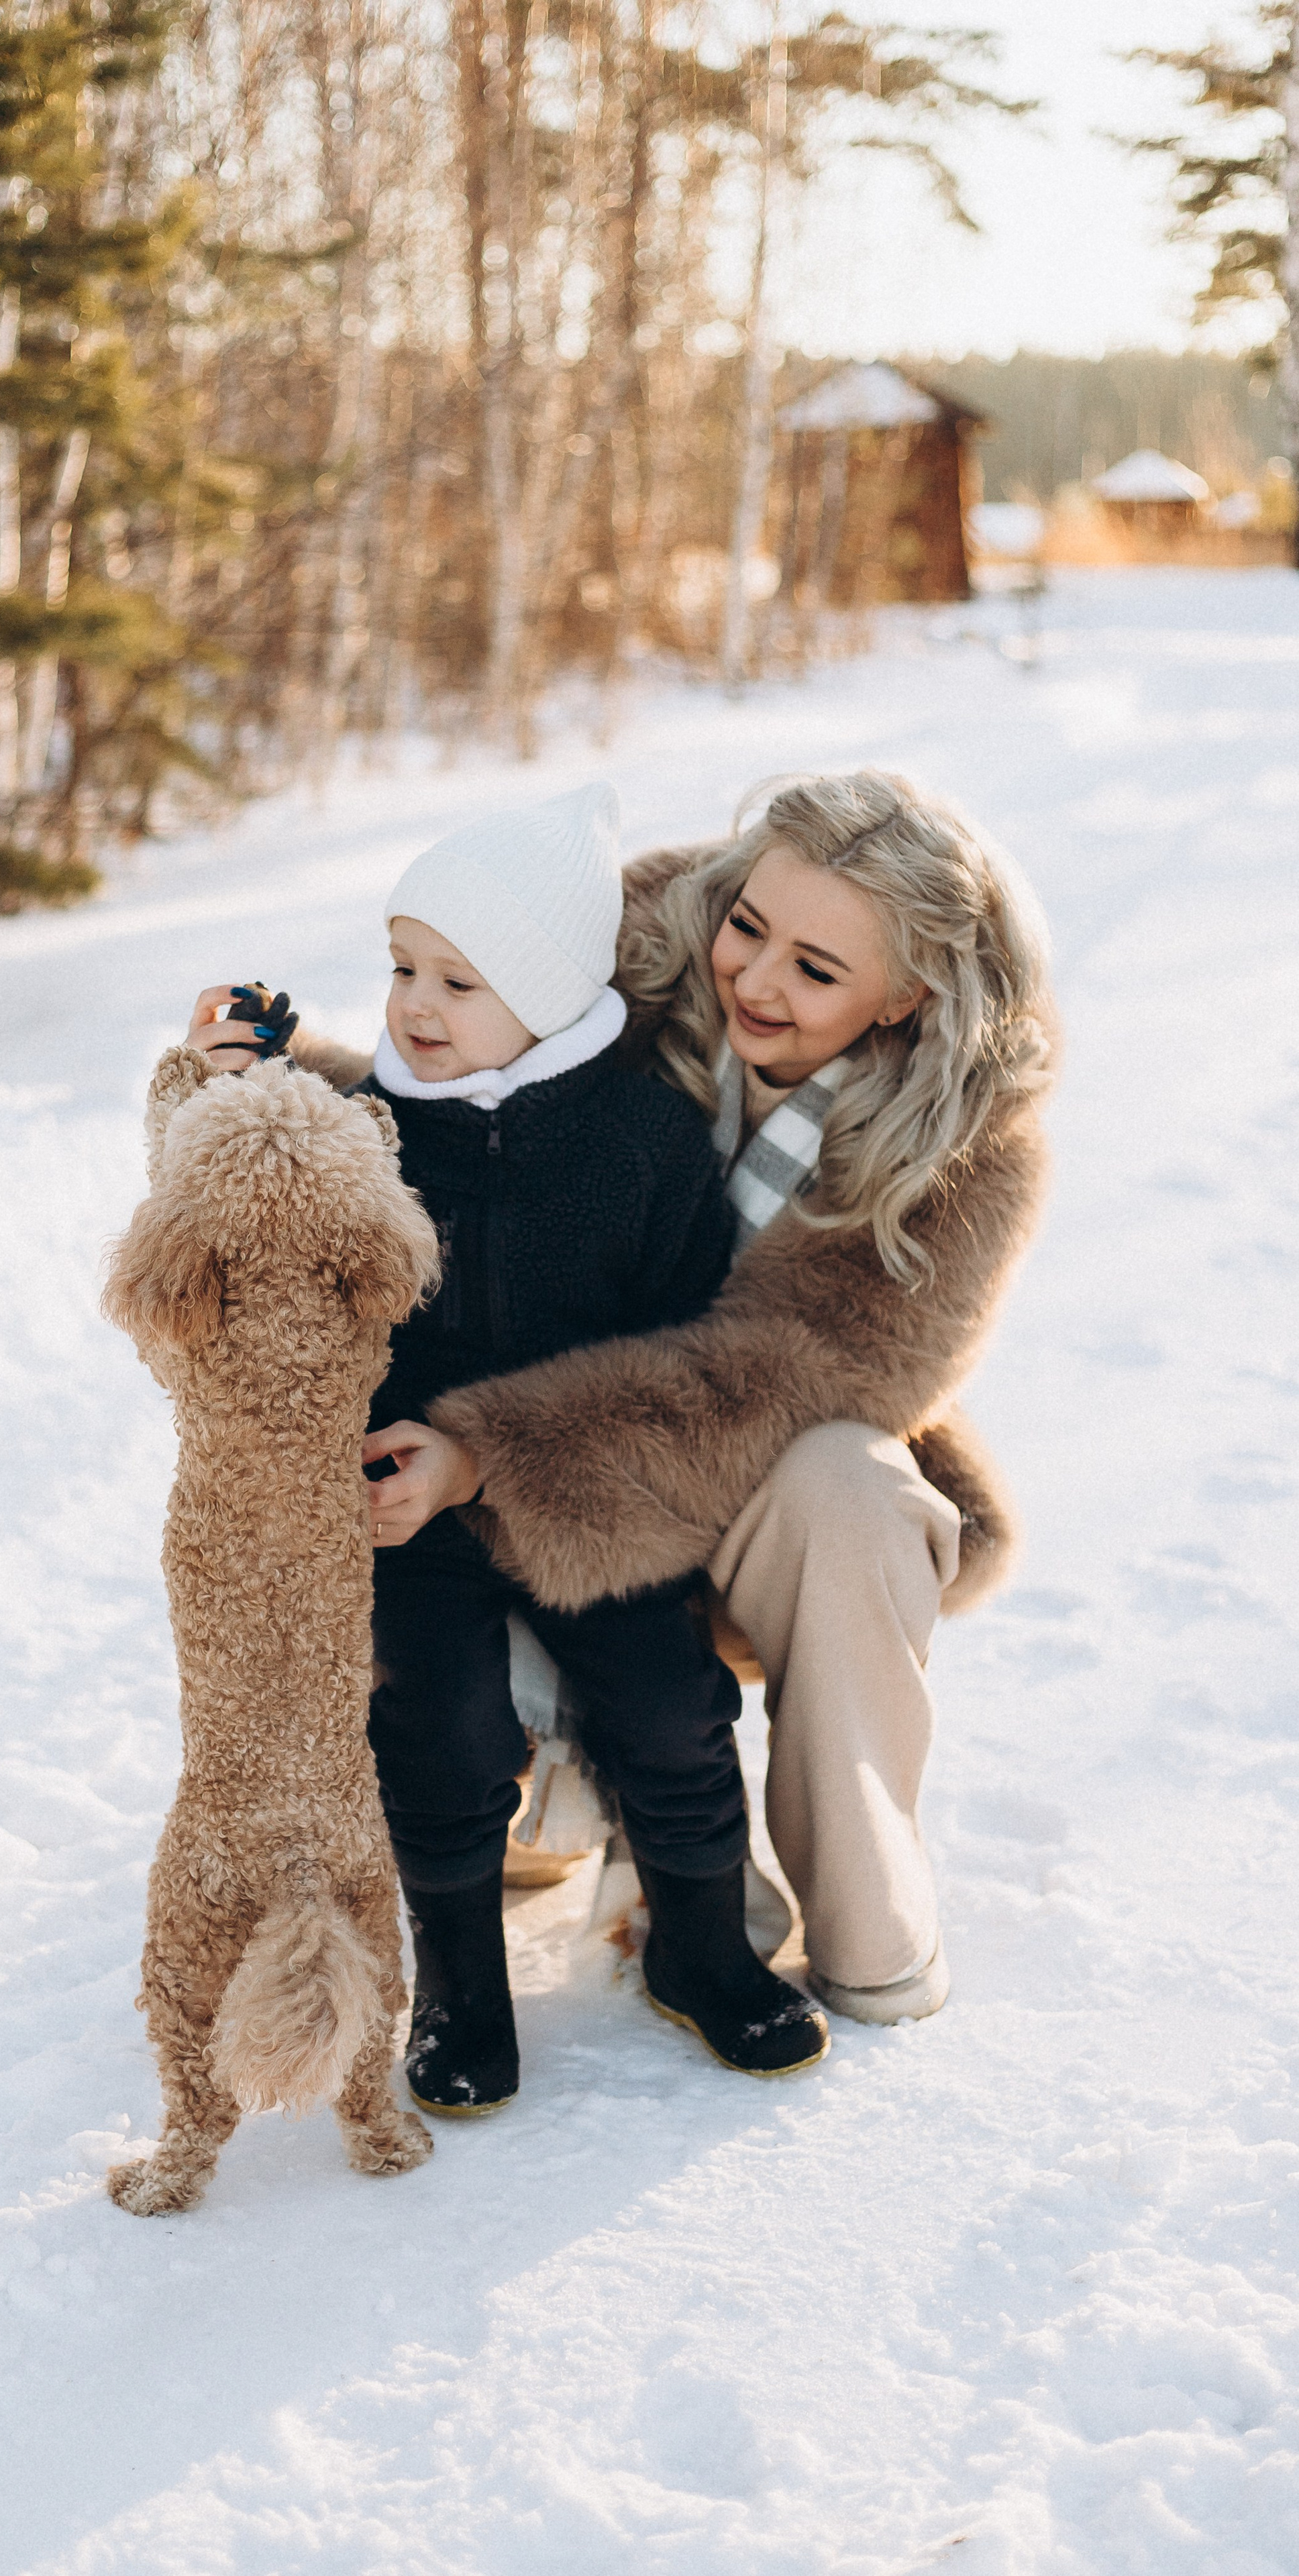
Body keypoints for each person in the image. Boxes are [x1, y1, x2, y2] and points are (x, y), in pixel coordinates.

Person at [346, 769, 1056, 2029]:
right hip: (533, 1441)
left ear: (909, 997)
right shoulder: (628, 959)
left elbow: (767, 1384)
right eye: (748, 927)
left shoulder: (966, 1153)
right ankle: (547, 1784)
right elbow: (450, 1101)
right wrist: (261, 1079)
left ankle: (868, 1926)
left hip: (737, 1475)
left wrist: (488, 1450)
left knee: (850, 1485)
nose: (758, 983)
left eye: (818, 971)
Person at [186, 784, 830, 2114]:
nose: (415, 1005)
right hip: (410, 1515)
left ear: (544, 990)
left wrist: (539, 1461)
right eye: (401, 967)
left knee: (666, 1710)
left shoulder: (641, 1143)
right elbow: (278, 1181)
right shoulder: (371, 1127)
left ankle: (702, 1947)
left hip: (586, 1494)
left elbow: (682, 1364)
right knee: (437, 1729)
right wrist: (243, 1069)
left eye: (457, 981)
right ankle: (464, 1989)